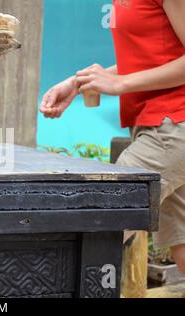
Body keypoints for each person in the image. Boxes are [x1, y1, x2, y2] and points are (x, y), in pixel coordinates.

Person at [40, 0, 185, 275]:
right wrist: (79, 81)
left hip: (172, 127)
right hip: (160, 125)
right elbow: (149, 59)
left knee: (102, 217)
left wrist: (119, 84)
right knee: (183, 241)